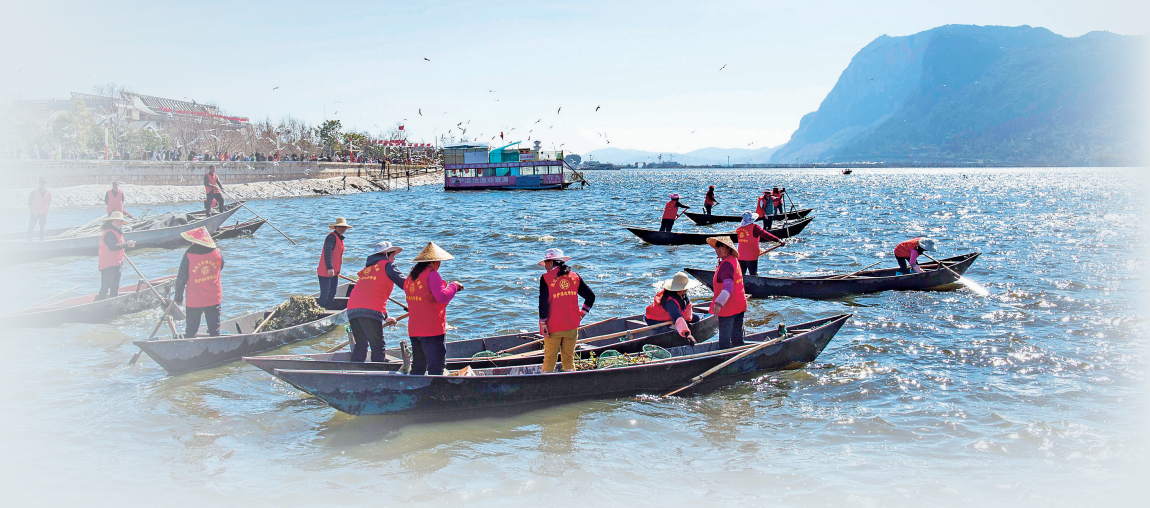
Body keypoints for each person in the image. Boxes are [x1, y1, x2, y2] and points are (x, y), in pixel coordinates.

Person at [403, 242, 464, 375]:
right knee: (436, 370)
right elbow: (442, 297)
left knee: (418, 368)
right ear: (434, 261)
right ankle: (434, 394)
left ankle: (415, 393)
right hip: (432, 331)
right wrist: (454, 286)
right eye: (439, 262)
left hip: (415, 330)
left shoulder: (410, 278)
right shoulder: (432, 275)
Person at [537, 248, 596, 373]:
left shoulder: (545, 278)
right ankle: (571, 384)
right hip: (572, 326)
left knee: (549, 360)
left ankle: (545, 388)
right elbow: (591, 296)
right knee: (569, 360)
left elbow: (543, 304)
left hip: (553, 327)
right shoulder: (575, 276)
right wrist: (581, 315)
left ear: (552, 262)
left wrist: (543, 323)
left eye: (546, 262)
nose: (545, 266)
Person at [346, 241, 405, 362]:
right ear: (386, 254)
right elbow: (407, 285)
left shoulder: (368, 269)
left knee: (361, 345)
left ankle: (354, 373)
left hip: (352, 309)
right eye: (393, 256)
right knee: (378, 346)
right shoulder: (388, 266)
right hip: (370, 310)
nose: (394, 260)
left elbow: (371, 293)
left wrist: (386, 316)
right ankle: (378, 373)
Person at [173, 227, 224, 338]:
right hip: (214, 297)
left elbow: (181, 277)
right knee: (215, 331)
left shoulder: (188, 255)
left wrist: (178, 296)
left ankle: (190, 350)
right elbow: (221, 268)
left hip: (194, 300)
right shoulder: (217, 252)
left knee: (191, 332)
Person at [706, 236, 748, 349]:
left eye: (721, 247)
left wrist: (718, 303)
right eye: (716, 247)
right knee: (737, 338)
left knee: (724, 342)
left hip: (729, 308)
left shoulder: (726, 265)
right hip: (739, 304)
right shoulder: (733, 260)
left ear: (728, 249)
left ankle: (724, 359)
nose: (718, 249)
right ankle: (740, 356)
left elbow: (728, 288)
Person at [644, 271, 702, 344]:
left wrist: (687, 321)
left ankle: (682, 329)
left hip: (672, 316)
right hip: (655, 320)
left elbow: (687, 310)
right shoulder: (670, 301)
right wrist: (688, 334)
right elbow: (677, 318)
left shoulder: (682, 295)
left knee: (696, 318)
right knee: (667, 330)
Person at [95, 212, 136, 300]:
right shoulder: (109, 232)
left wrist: (126, 246)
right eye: (116, 221)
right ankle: (99, 305)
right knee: (105, 288)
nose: (119, 223)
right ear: (111, 222)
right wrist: (126, 245)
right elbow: (112, 247)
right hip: (108, 265)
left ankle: (114, 303)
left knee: (115, 288)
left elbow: (118, 246)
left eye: (120, 221)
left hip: (116, 264)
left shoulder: (117, 231)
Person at [735, 211, 784, 276]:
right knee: (753, 275)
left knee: (741, 276)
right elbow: (765, 234)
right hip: (751, 256)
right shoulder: (755, 227)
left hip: (740, 255)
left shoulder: (739, 229)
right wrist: (777, 240)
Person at [317, 217, 351, 309]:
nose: (342, 229)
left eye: (344, 227)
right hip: (326, 272)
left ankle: (326, 310)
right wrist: (330, 268)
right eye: (340, 227)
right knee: (325, 296)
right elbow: (327, 253)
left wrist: (335, 270)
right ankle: (318, 313)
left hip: (333, 273)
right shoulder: (331, 237)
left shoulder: (340, 238)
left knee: (332, 294)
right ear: (335, 227)